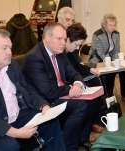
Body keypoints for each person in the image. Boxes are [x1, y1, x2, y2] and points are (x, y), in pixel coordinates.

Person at [0, 28, 65, 151]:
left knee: (51, 122)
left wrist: (43, 105)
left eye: (10, 48)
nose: (10, 52)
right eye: (4, 48)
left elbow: (27, 89)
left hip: (17, 115)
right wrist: (15, 132)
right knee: (9, 146)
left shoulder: (11, 65)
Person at [21, 23, 98, 151]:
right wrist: (71, 89)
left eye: (64, 39)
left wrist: (78, 84)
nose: (63, 43)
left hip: (58, 93)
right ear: (47, 37)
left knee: (93, 102)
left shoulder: (59, 53)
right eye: (59, 39)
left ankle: (81, 140)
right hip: (43, 101)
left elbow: (74, 74)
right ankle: (69, 147)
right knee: (80, 106)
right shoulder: (34, 58)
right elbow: (48, 91)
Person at [65, 24, 106, 134]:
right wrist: (81, 84)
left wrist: (90, 69)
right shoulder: (61, 52)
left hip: (76, 78)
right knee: (92, 87)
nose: (78, 48)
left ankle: (96, 122)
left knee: (97, 82)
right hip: (69, 83)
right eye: (77, 45)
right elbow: (66, 74)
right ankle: (90, 126)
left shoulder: (72, 49)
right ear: (68, 39)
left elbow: (77, 67)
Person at [89, 13, 125, 101]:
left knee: (123, 70)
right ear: (104, 25)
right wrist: (110, 64)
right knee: (110, 72)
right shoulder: (97, 34)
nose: (113, 27)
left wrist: (117, 64)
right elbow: (99, 52)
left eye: (114, 25)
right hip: (97, 59)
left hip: (110, 59)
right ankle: (109, 96)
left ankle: (124, 93)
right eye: (110, 25)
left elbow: (116, 51)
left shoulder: (116, 34)